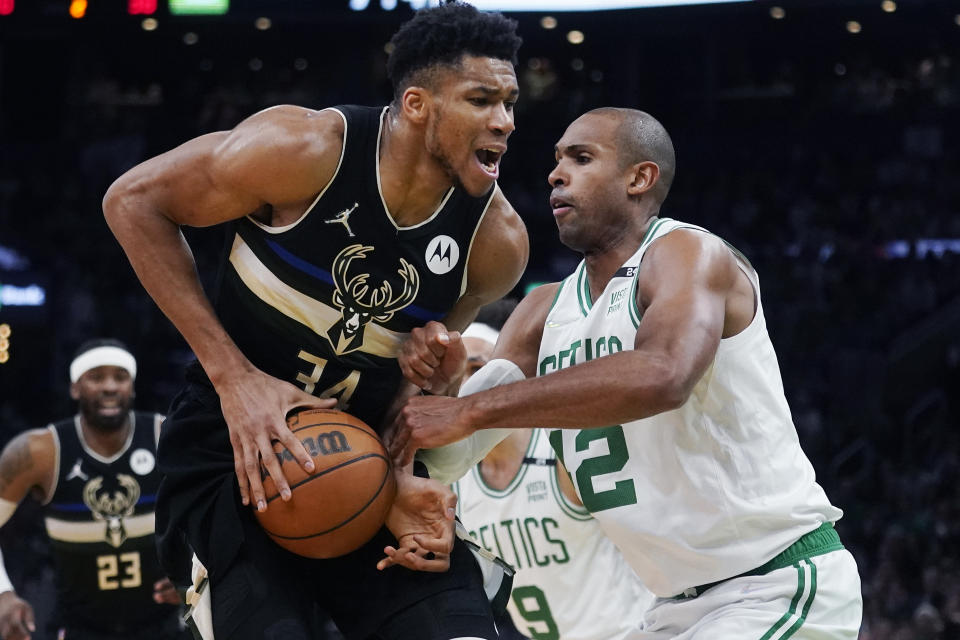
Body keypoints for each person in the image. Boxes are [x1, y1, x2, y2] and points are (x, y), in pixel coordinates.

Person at [102, 2, 528, 639]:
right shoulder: (302, 150)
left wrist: (416, 429)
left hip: (360, 469)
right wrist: (235, 379)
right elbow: (132, 202)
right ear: (417, 104)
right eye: (481, 100)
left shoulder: (497, 243)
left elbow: (415, 393)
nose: (504, 122)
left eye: (510, 102)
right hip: (233, 453)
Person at [389, 107, 864, 638]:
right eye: (556, 160)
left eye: (581, 157)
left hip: (774, 581)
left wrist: (470, 408)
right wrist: (440, 389)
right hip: (672, 608)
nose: (555, 173)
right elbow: (456, 448)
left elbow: (666, 374)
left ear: (639, 178)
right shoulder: (542, 311)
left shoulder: (687, 253)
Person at [453, 313, 653, 640]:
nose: (466, 387)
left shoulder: (564, 451)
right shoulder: (450, 484)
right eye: (454, 377)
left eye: (477, 370)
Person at [0, 339, 187, 640]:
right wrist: (3, 593)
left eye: (120, 377)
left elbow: (215, 511)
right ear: (75, 387)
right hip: (80, 629)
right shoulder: (39, 452)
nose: (110, 387)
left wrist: (194, 570)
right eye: (96, 377)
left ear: (133, 387)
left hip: (167, 626)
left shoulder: (165, 436)